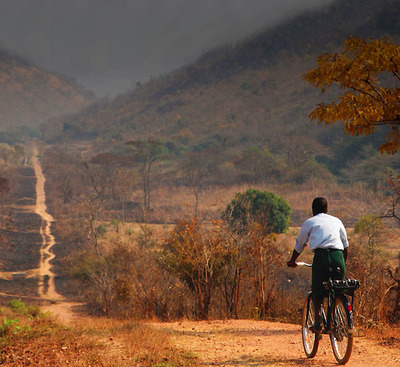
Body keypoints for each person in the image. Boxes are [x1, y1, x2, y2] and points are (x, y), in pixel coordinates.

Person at [287, 197, 349, 332]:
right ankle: (337, 317)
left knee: (317, 291)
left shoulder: (310, 222)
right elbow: (345, 246)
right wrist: (342, 263)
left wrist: (292, 261)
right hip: (338, 257)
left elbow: (299, 245)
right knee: (338, 288)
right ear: (327, 209)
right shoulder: (337, 221)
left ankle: (318, 322)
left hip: (321, 258)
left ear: (313, 210)